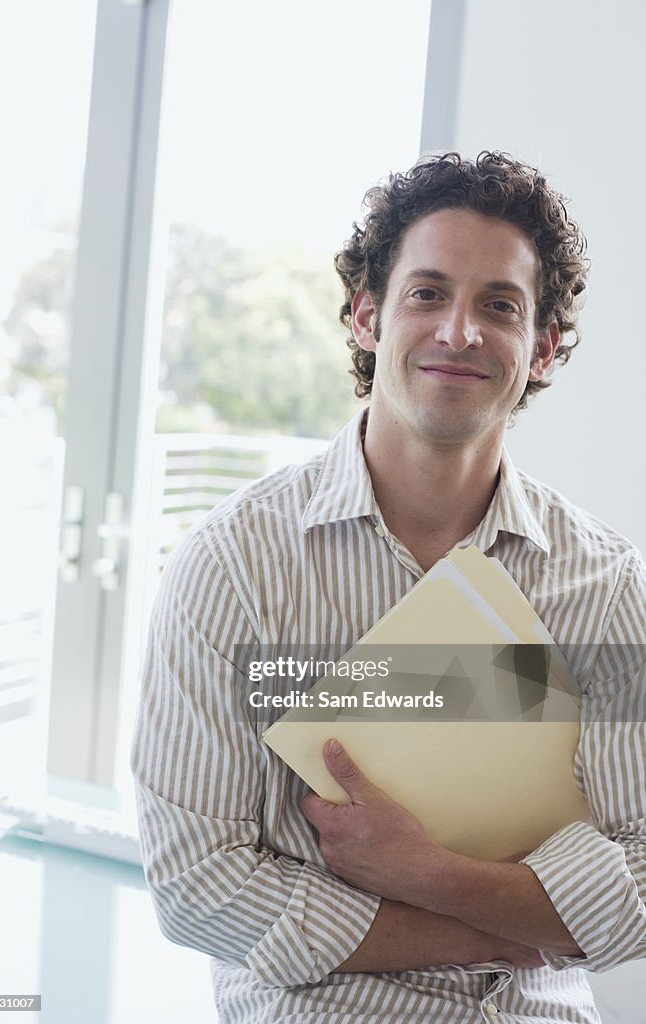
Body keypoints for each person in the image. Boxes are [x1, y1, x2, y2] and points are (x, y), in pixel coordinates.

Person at [131, 151, 646, 1024]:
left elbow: (639, 876)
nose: (459, 331)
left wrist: (427, 875)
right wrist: (483, 925)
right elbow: (196, 885)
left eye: (500, 306)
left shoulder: (604, 582)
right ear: (367, 317)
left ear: (543, 344)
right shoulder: (234, 565)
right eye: (426, 293)